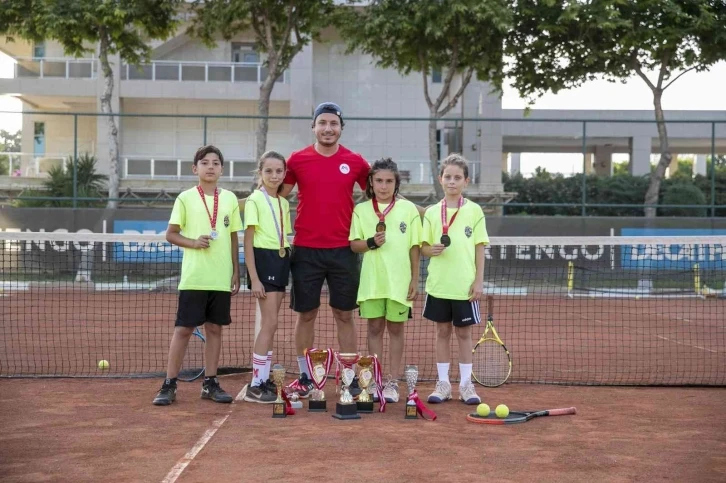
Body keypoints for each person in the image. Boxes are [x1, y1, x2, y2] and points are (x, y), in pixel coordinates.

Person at [280, 102, 370, 397]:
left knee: (344, 315)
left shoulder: (356, 162)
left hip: (344, 251)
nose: (328, 128)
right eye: (323, 123)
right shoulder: (297, 160)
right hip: (305, 249)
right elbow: (276, 196)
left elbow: (382, 192)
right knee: (306, 315)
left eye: (333, 123)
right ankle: (307, 376)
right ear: (314, 127)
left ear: (341, 128)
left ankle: (348, 376)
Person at [153, 145, 242, 406]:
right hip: (194, 277)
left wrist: (236, 270)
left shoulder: (230, 199)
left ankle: (210, 383)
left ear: (222, 169)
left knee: (215, 329)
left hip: (220, 277)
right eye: (205, 163)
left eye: (216, 163)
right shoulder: (185, 198)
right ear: (195, 169)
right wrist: (193, 242)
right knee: (183, 330)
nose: (211, 166)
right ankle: (169, 384)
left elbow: (233, 235)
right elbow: (171, 233)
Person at [349, 158, 422, 403]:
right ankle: (374, 379)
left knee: (396, 329)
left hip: (399, 283)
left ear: (396, 183)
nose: (383, 186)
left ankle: (393, 381)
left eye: (389, 181)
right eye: (379, 180)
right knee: (374, 328)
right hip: (372, 283)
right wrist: (371, 242)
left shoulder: (409, 210)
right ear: (370, 181)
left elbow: (415, 247)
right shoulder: (360, 210)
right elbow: (354, 245)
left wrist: (415, 278)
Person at [421, 153, 488, 405]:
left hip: (465, 287)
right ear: (440, 180)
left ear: (466, 182)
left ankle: (466, 385)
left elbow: (480, 247)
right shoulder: (431, 212)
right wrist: (431, 250)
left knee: (463, 334)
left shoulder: (474, 210)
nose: (452, 181)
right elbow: (423, 247)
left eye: (457, 177)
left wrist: (479, 280)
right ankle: (443, 384)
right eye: (447, 177)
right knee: (441, 332)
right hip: (439, 285)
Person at [242, 151, 292, 403]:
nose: (274, 176)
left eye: (279, 171)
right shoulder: (254, 200)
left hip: (281, 260)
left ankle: (263, 378)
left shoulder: (283, 203)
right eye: (269, 171)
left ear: (284, 173)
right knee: (269, 323)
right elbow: (248, 241)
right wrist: (254, 277)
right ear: (260, 172)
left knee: (272, 324)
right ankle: (256, 383)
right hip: (264, 261)